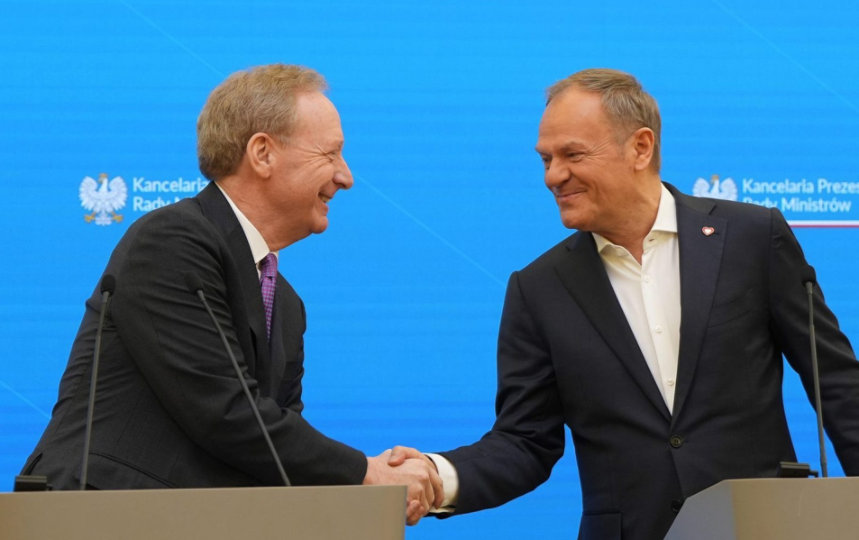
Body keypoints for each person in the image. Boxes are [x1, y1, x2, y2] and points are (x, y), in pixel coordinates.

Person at [392, 68, 859, 538]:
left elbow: (837, 383)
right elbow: (524, 441)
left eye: (572, 154)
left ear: (640, 147)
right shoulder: (538, 288)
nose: (554, 176)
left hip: (762, 527)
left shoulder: (752, 238)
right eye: (546, 159)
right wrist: (438, 476)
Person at [21, 64, 441, 524]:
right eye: (332, 154)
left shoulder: (285, 304)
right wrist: (365, 473)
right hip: (98, 517)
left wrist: (375, 484)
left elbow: (276, 451)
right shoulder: (172, 240)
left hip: (201, 522)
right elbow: (222, 409)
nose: (346, 177)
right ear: (262, 153)